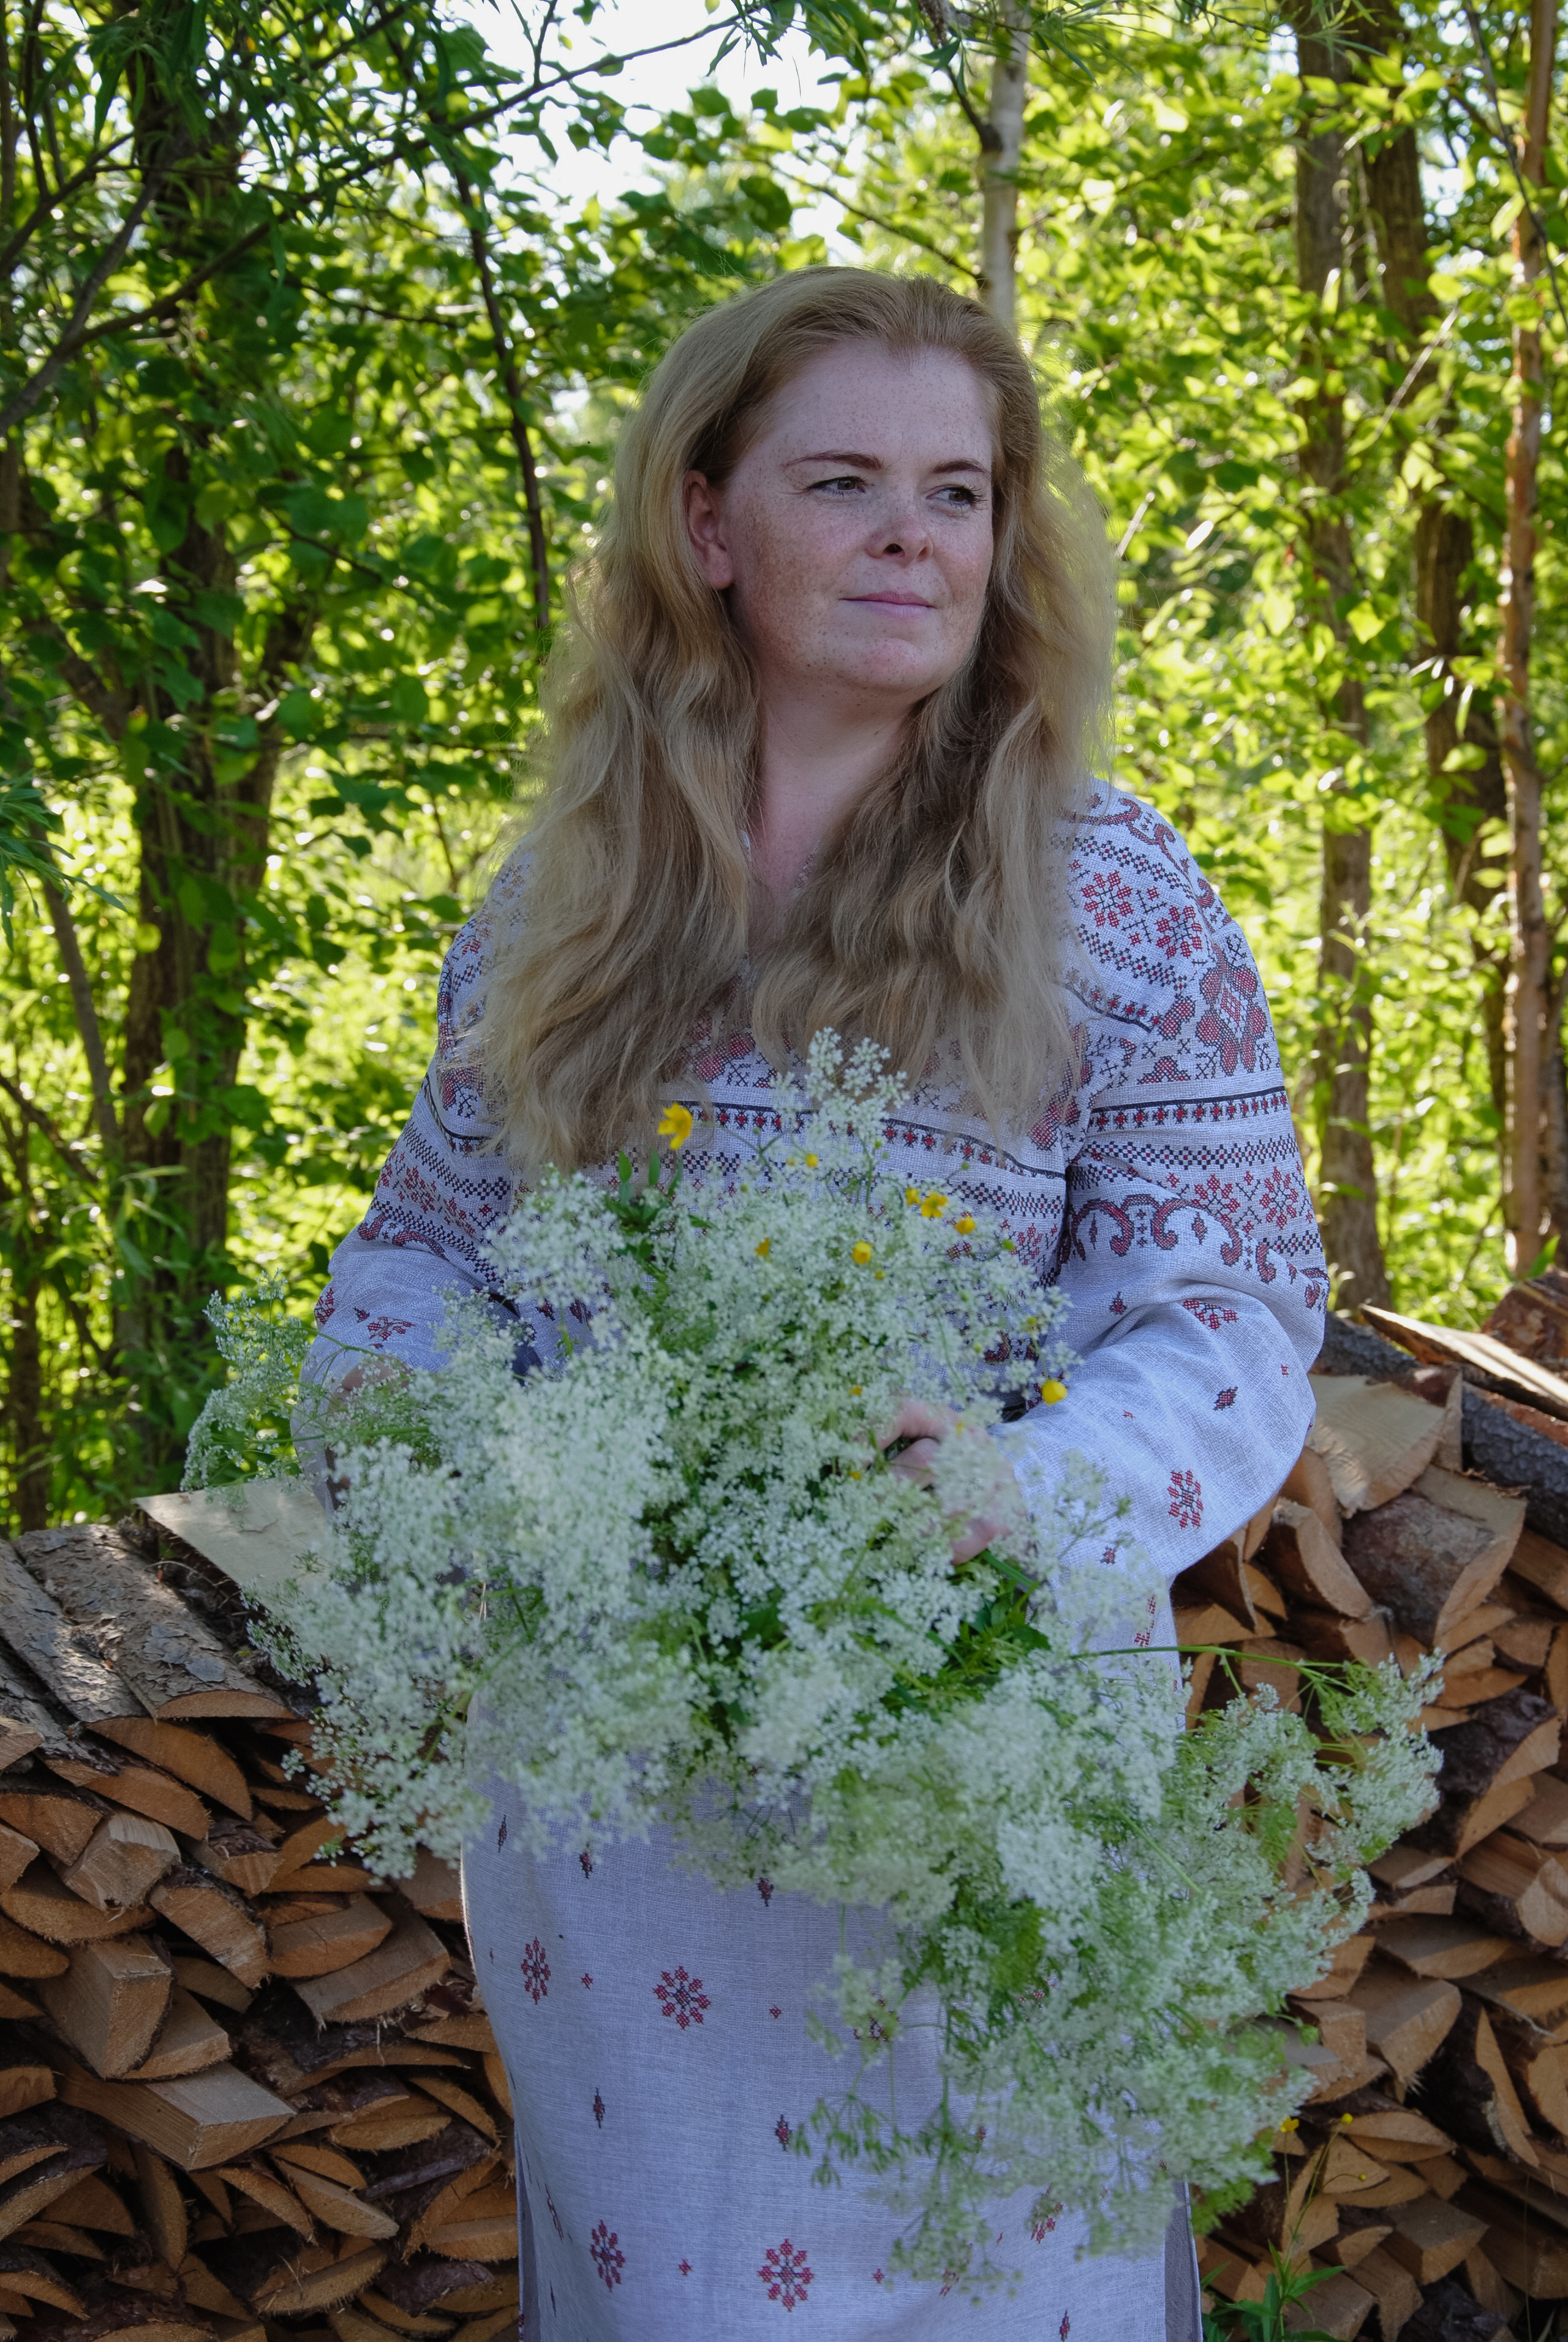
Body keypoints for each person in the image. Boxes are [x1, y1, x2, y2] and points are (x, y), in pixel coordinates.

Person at [301, 268, 1325, 2340]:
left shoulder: (1111, 894)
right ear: (705, 529)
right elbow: (422, 1253)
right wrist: (474, 1457)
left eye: (956, 491)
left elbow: (1232, 1312)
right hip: (620, 1819)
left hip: (977, 1764)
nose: (910, 539)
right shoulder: (555, 912)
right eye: (843, 480)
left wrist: (1014, 1493)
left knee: (1006, 2279)